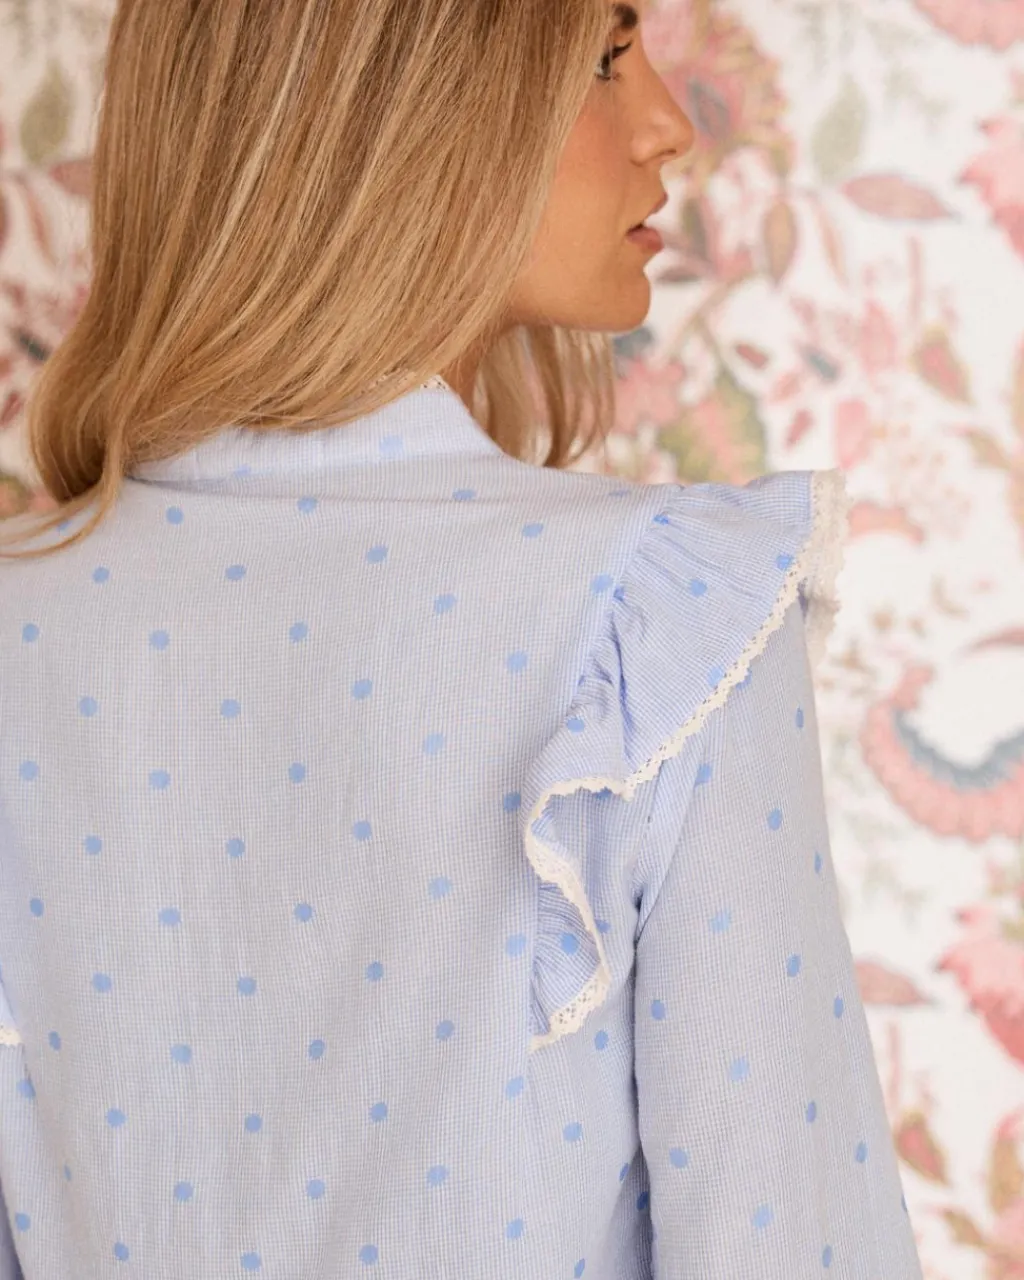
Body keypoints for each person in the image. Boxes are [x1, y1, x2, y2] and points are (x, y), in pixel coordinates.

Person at [0, 0, 924, 1276]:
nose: (669, 124)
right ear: (398, 101)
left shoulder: (23, 629)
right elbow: (792, 1241)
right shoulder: (658, 621)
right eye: (604, 57)